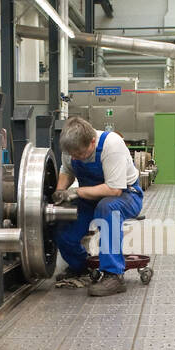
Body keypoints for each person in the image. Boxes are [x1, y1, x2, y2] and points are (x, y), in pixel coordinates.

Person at [53, 116, 143, 296]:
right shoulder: (71, 148)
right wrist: (60, 191)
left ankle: (114, 275)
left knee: (107, 207)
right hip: (90, 197)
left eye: (80, 154)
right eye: (73, 154)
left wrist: (76, 192)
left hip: (126, 195)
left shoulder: (112, 145)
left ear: (92, 141)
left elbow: (114, 190)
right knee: (61, 224)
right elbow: (67, 170)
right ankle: (81, 267)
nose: (76, 157)